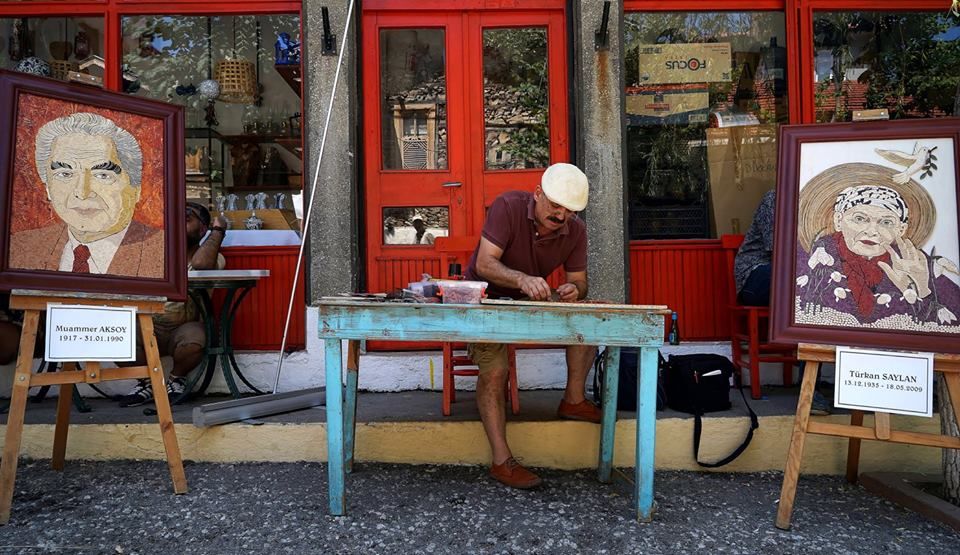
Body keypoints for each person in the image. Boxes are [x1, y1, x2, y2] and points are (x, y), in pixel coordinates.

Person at [463, 162, 598, 489]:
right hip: (485, 299)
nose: (561, 216)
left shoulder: (576, 230)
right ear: (538, 193)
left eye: (569, 210)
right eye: (555, 206)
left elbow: (580, 282)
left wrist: (574, 289)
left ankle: (573, 400)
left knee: (587, 321)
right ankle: (501, 461)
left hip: (530, 300)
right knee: (495, 370)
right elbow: (484, 263)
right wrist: (522, 279)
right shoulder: (508, 206)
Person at [795, 164, 960, 330]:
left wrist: (923, 289)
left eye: (886, 222)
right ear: (838, 220)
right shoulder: (813, 257)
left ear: (901, 230)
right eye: (860, 219)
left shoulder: (916, 264)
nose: (872, 231)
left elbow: (950, 328)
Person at [8, 112, 163, 278]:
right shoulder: (20, 248)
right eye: (65, 174)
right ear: (48, 188)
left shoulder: (166, 254)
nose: (82, 193)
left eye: (102, 175)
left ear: (136, 189)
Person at [118, 202, 228, 407]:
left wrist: (218, 231)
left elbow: (201, 265)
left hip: (183, 329)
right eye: (173, 220)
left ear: (202, 229)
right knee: (116, 334)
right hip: (149, 326)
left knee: (196, 338)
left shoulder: (213, 257)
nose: (177, 225)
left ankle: (176, 379)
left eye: (186, 219)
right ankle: (147, 383)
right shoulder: (155, 256)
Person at [734, 189, 775, 306]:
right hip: (754, 274)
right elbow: (778, 248)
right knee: (791, 277)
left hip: (781, 272)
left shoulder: (810, 203)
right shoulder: (775, 199)